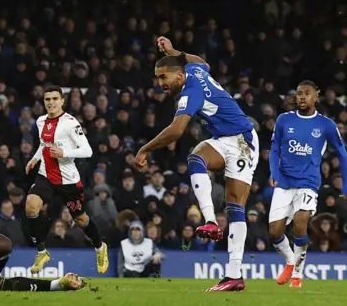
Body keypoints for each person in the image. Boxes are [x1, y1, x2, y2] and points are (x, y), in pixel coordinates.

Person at [134, 37, 258, 292]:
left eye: (163, 78)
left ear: (179, 75)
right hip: (223, 138)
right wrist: (175, 52)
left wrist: (145, 148)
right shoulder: (193, 69)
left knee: (236, 207)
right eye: (157, 79)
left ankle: (234, 274)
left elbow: (176, 130)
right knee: (196, 157)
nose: (160, 84)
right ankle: (211, 221)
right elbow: (204, 63)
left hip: (244, 140)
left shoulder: (191, 92)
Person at [268, 80, 347, 288]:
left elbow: (342, 153)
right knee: (275, 232)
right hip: (284, 182)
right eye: (299, 93)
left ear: (315, 97)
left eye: (306, 93)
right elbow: (275, 148)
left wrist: (345, 185)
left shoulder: (326, 124)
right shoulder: (284, 120)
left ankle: (297, 275)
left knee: (300, 222)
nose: (301, 97)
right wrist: (274, 172)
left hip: (308, 182)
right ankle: (289, 261)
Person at [24, 85, 108, 274]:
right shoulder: (40, 121)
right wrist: (36, 158)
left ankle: (100, 247)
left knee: (80, 220)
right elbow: (44, 144)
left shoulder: (71, 123)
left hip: (68, 180)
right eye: (47, 99)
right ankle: (42, 252)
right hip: (45, 175)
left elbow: (87, 151)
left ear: (62, 101)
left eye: (55, 99)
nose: (51, 103)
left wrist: (63, 152)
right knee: (31, 205)